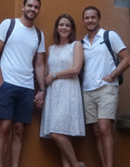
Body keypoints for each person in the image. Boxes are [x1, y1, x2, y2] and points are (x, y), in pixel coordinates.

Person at [0, 0, 47, 167]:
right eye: (29, 5)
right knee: (5, 126)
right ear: (23, 7)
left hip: (27, 87)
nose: (32, 9)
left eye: (36, 7)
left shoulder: (39, 35)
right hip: (7, 84)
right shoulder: (9, 25)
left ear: (38, 10)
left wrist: (42, 89)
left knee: (19, 129)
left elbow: (39, 64)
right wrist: (0, 78)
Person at [81, 6, 130, 167]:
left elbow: (127, 59)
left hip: (106, 89)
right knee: (96, 131)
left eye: (93, 17)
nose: (90, 21)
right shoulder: (81, 43)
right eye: (87, 18)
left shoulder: (109, 36)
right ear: (84, 20)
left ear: (99, 19)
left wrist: (111, 76)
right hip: (87, 91)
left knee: (104, 128)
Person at [40, 14, 85, 167]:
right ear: (57, 28)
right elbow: (46, 71)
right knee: (63, 134)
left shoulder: (76, 45)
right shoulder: (51, 49)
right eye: (61, 25)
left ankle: (76, 164)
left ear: (71, 29)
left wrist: (55, 75)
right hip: (54, 93)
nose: (64, 28)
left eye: (67, 25)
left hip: (69, 91)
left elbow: (76, 69)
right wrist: (42, 90)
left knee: (57, 132)